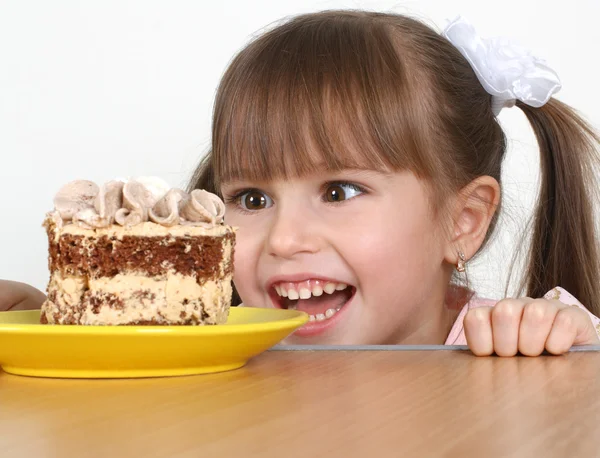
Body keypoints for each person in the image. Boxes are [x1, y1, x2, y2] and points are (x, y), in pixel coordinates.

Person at [4, 11, 600, 356]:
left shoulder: (504, 342)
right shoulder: (227, 344)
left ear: (463, 221)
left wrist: (561, 345)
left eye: (339, 191)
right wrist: (51, 327)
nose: (285, 240)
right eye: (252, 199)